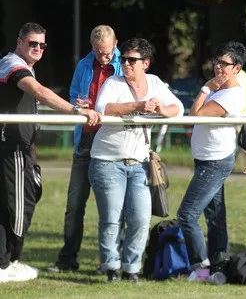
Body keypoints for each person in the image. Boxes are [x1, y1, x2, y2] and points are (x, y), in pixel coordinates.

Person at [0, 22, 100, 283]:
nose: (37, 48)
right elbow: (41, 93)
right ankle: (7, 263)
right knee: (19, 205)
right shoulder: (14, 66)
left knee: (20, 200)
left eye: (42, 45)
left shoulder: (24, 68)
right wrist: (77, 112)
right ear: (19, 42)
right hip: (13, 148)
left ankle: (6, 261)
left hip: (21, 148)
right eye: (32, 43)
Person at [88, 37, 183, 283]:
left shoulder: (154, 83)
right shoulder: (113, 82)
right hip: (107, 161)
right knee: (111, 218)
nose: (126, 64)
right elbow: (103, 107)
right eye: (124, 59)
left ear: (146, 63)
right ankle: (111, 267)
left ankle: (132, 268)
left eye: (132, 60)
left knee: (141, 218)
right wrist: (138, 106)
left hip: (140, 163)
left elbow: (178, 108)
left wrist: (160, 110)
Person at [47, 25, 122, 273]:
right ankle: (67, 260)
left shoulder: (127, 64)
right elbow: (72, 97)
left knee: (111, 208)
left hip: (112, 142)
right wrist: (77, 104)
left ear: (115, 44)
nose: (104, 57)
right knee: (75, 204)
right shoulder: (83, 65)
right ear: (92, 47)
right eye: (99, 52)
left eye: (108, 52)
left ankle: (110, 262)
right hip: (86, 141)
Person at [177, 41, 246, 274]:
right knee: (215, 216)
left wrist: (205, 88)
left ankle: (200, 268)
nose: (218, 67)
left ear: (237, 68)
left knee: (186, 215)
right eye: (217, 62)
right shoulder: (220, 90)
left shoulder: (230, 95)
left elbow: (195, 116)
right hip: (207, 159)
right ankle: (220, 263)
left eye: (224, 64)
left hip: (215, 161)